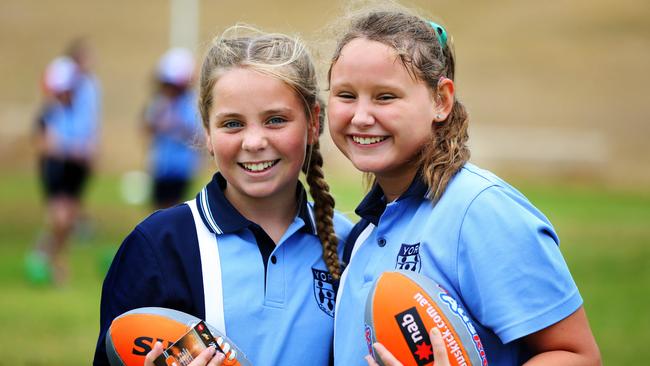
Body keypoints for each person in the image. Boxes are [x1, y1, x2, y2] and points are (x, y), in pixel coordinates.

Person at [326, 7, 601, 366]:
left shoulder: (480, 210)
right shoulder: (367, 228)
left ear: (440, 100)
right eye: (346, 95)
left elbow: (576, 355)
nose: (361, 116)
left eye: (385, 97)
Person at [94, 26, 352, 366]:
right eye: (232, 124)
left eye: (275, 120)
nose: (254, 142)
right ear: (207, 131)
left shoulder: (349, 244)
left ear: (314, 123)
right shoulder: (157, 246)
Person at [26, 52, 100, 286]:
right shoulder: (49, 113)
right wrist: (70, 149)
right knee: (60, 217)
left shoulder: (78, 110)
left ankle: (48, 253)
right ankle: (56, 264)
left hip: (75, 172)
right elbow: (45, 143)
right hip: (56, 170)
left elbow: (86, 137)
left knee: (68, 221)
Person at [143, 48, 203, 209]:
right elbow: (147, 127)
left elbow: (197, 135)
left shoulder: (190, 104)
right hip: (161, 164)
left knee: (174, 208)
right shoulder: (160, 102)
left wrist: (175, 126)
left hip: (181, 166)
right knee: (157, 209)